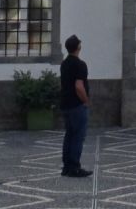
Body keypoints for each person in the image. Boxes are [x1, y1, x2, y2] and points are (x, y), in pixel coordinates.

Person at [59, 34, 92, 178]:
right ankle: (74, 167)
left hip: (65, 104)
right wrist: (86, 100)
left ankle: (67, 166)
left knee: (69, 135)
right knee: (78, 136)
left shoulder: (64, 63)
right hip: (76, 105)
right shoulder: (80, 64)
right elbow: (79, 86)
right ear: (78, 47)